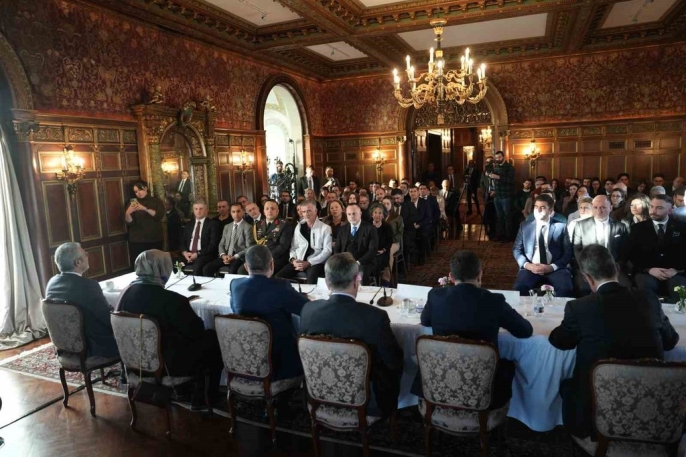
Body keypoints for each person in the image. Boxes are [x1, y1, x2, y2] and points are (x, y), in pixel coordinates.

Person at [549, 244, 679, 440]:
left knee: (567, 385)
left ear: (586, 278)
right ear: (617, 269)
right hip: (654, 412)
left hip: (596, 417)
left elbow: (559, 341)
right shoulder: (649, 299)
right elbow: (670, 341)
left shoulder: (579, 308)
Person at [415, 250, 533, 406]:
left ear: (451, 277)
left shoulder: (435, 296)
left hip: (439, 383)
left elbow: (425, 321)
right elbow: (525, 331)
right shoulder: (494, 301)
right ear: (480, 274)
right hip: (484, 390)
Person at [115, 250, 223, 409]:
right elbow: (196, 332)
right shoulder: (172, 300)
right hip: (168, 367)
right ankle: (204, 397)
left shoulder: (124, 294)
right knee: (211, 338)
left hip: (133, 362)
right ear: (161, 269)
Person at [299, 253, 403, 417]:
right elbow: (394, 361)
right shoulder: (375, 317)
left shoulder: (308, 310)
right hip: (367, 403)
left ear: (326, 282)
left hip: (318, 396)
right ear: (356, 281)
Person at [230, 246, 309, 381]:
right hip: (280, 366)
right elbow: (307, 310)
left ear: (246, 267)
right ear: (272, 264)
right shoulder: (281, 287)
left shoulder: (235, 285)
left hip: (246, 362)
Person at [45, 242, 119, 359]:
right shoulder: (88, 286)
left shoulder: (52, 283)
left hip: (64, 346)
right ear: (78, 262)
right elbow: (107, 318)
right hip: (93, 348)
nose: (87, 256)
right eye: (85, 254)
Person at [625, 195, 686, 301]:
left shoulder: (682, 227)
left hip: (675, 272)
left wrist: (677, 270)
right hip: (647, 271)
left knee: (679, 290)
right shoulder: (638, 229)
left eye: (659, 208)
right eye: (652, 206)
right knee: (645, 289)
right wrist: (648, 269)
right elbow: (632, 255)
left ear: (670, 210)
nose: (653, 211)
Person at [512, 194, 573, 297]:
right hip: (531, 267)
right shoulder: (525, 226)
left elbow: (568, 252)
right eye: (536, 207)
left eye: (542, 207)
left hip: (555, 268)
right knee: (519, 287)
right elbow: (517, 249)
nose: (538, 210)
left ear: (550, 210)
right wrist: (527, 265)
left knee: (566, 288)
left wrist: (551, 267)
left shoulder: (561, 227)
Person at [571, 195, 630, 296]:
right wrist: (586, 267)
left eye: (603, 207)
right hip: (588, 268)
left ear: (610, 208)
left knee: (625, 287)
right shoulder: (580, 226)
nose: (599, 210)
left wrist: (616, 267)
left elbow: (624, 251)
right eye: (595, 207)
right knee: (583, 288)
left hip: (613, 268)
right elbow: (577, 249)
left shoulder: (620, 227)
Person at [276, 200, 332, 284]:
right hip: (299, 260)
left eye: (309, 211)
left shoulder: (325, 228)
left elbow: (327, 251)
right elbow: (294, 247)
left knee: (311, 281)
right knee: (278, 277)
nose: (306, 214)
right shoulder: (299, 226)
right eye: (304, 211)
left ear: (316, 211)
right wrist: (293, 260)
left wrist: (309, 262)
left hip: (316, 262)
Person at [238, 199, 295, 275]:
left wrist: (265, 256)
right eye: (267, 209)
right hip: (259, 256)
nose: (270, 211)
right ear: (264, 211)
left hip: (276, 257)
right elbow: (253, 243)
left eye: (273, 208)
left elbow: (282, 246)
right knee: (242, 270)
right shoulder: (258, 225)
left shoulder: (285, 225)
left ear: (277, 211)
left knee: (264, 271)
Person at [203, 203, 254, 276]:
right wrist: (223, 255)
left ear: (243, 212)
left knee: (232, 270)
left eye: (238, 211)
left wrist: (234, 257)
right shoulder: (227, 227)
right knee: (207, 268)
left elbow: (249, 247)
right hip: (226, 256)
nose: (236, 214)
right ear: (230, 213)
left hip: (238, 257)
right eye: (233, 212)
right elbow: (221, 244)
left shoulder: (248, 227)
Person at [334, 204, 378, 285]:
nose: (352, 216)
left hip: (363, 262)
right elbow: (337, 249)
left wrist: (358, 262)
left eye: (354, 214)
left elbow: (373, 250)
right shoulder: (343, 229)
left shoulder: (370, 228)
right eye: (349, 214)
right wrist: (342, 261)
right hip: (345, 261)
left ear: (360, 214)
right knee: (333, 272)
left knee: (360, 276)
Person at [125, 180, 165, 263]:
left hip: (154, 238)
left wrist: (145, 209)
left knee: (155, 263)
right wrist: (127, 213)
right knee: (139, 263)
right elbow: (130, 223)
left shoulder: (156, 201)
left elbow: (159, 216)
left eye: (140, 190)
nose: (138, 193)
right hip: (137, 239)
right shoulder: (132, 202)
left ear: (146, 188)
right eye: (136, 191)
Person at [179, 199, 221, 276]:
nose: (198, 211)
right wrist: (185, 253)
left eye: (201, 209)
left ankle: (196, 283)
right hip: (188, 254)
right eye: (196, 209)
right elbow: (182, 242)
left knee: (197, 265)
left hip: (204, 255)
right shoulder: (189, 225)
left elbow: (213, 245)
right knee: (175, 264)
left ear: (206, 210)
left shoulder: (213, 224)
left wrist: (197, 254)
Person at [489, 151, 515, 241]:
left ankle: (508, 235)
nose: (498, 159)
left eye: (499, 157)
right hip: (497, 195)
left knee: (507, 216)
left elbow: (511, 180)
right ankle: (500, 234)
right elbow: (494, 181)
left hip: (506, 195)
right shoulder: (495, 167)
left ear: (503, 156)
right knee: (499, 216)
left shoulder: (510, 167)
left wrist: (498, 177)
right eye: (496, 157)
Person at [369, 203, 393, 286]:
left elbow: (389, 242)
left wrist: (383, 250)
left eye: (380, 213)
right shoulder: (367, 226)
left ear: (383, 215)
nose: (377, 215)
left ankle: (377, 283)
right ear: (372, 214)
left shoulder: (387, 227)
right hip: (370, 252)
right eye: (375, 212)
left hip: (382, 252)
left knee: (376, 262)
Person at [382, 196, 404, 279]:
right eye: (384, 204)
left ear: (391, 204)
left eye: (388, 204)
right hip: (381, 242)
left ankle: (386, 278)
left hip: (394, 242)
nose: (385, 206)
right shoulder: (380, 216)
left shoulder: (398, 217)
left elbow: (399, 233)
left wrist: (390, 241)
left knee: (389, 252)